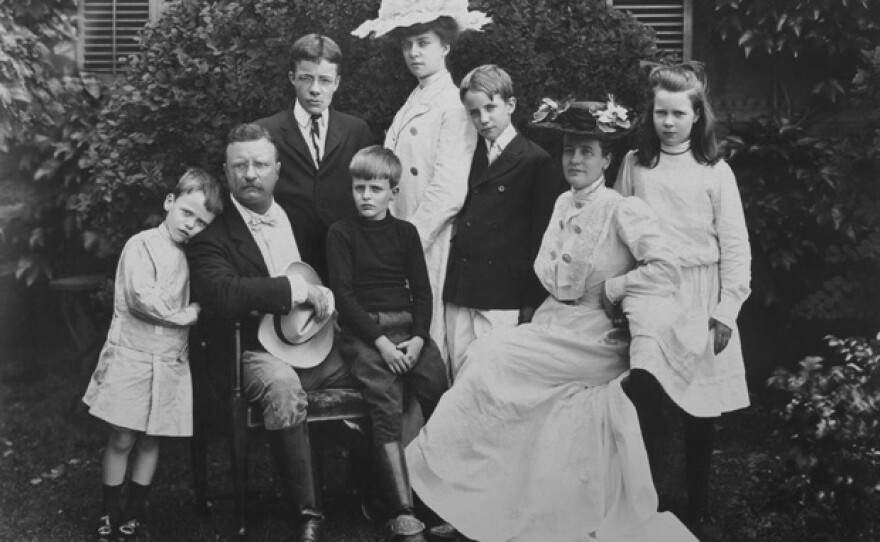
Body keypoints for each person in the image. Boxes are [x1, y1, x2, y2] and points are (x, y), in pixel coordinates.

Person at [404, 98, 698, 542]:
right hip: (554, 327)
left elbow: (667, 266)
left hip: (594, 337)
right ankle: (477, 501)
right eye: (569, 151)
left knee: (491, 360)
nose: (575, 160)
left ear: (607, 158)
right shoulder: (563, 202)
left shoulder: (622, 209)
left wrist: (616, 290)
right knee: (486, 361)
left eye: (586, 152)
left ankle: (470, 497)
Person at [187, 123, 356, 542]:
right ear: (226, 173)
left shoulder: (303, 218)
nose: (250, 174)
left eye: (260, 164)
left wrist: (334, 295)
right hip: (253, 351)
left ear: (277, 170)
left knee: (375, 371)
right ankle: (308, 513)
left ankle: (378, 493)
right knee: (282, 387)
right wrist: (295, 290)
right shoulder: (212, 235)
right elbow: (225, 294)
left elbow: (339, 269)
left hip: (318, 342)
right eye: (239, 165)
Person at [614, 61, 752, 536]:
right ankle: (649, 503)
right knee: (647, 398)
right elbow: (616, 232)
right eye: (660, 114)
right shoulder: (636, 166)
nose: (668, 123)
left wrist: (725, 312)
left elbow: (735, 247)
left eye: (678, 114)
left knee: (700, 407)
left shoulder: (716, 173)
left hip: (699, 294)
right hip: (652, 293)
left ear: (697, 117)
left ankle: (698, 507)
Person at [82, 168, 223, 541]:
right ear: (169, 203)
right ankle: (109, 512)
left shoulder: (194, 256)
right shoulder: (141, 244)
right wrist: (187, 314)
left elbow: (206, 292)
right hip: (132, 355)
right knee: (123, 437)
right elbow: (141, 298)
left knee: (151, 438)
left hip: (169, 359)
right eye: (187, 213)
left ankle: (134, 511)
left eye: (201, 221)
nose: (191, 225)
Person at [352, 0, 488, 363]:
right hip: (398, 237)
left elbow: (448, 191)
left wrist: (405, 243)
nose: (414, 52)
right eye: (407, 44)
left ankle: (431, 417)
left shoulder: (454, 105)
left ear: (445, 46)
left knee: (426, 337)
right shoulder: (414, 99)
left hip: (426, 238)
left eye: (423, 42)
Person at [325, 146, 448, 542]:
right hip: (367, 334)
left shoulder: (406, 233)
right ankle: (402, 510)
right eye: (359, 187)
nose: (366, 196)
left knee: (438, 391)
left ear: (393, 192)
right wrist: (381, 344)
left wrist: (418, 340)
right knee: (384, 401)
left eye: (375, 188)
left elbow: (423, 295)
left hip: (409, 331)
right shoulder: (341, 233)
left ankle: (447, 501)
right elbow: (344, 298)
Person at [443, 64, 565, 376]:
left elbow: (542, 239)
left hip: (503, 295)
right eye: (474, 112)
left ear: (510, 106)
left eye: (490, 108)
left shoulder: (534, 160)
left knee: (493, 380)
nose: (483, 119)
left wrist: (531, 302)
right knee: (458, 377)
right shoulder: (466, 155)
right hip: (462, 289)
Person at [255, 33, 374, 282]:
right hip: (287, 260)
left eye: (325, 80)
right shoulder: (266, 132)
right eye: (306, 79)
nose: (315, 90)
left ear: (337, 82)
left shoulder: (356, 131)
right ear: (292, 78)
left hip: (345, 261)